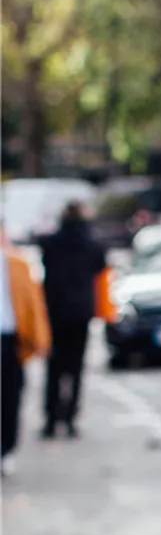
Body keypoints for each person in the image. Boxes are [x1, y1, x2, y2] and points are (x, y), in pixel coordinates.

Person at [38, 201, 105, 438]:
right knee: (75, 368)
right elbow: (100, 265)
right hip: (80, 312)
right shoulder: (92, 244)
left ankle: (50, 418)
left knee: (54, 366)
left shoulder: (52, 243)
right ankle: (70, 418)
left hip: (55, 311)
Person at [1, 227, 51, 476]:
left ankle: (6, 449)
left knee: (10, 397)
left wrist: (40, 339)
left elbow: (34, 303)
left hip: (10, 341)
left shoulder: (18, 264)